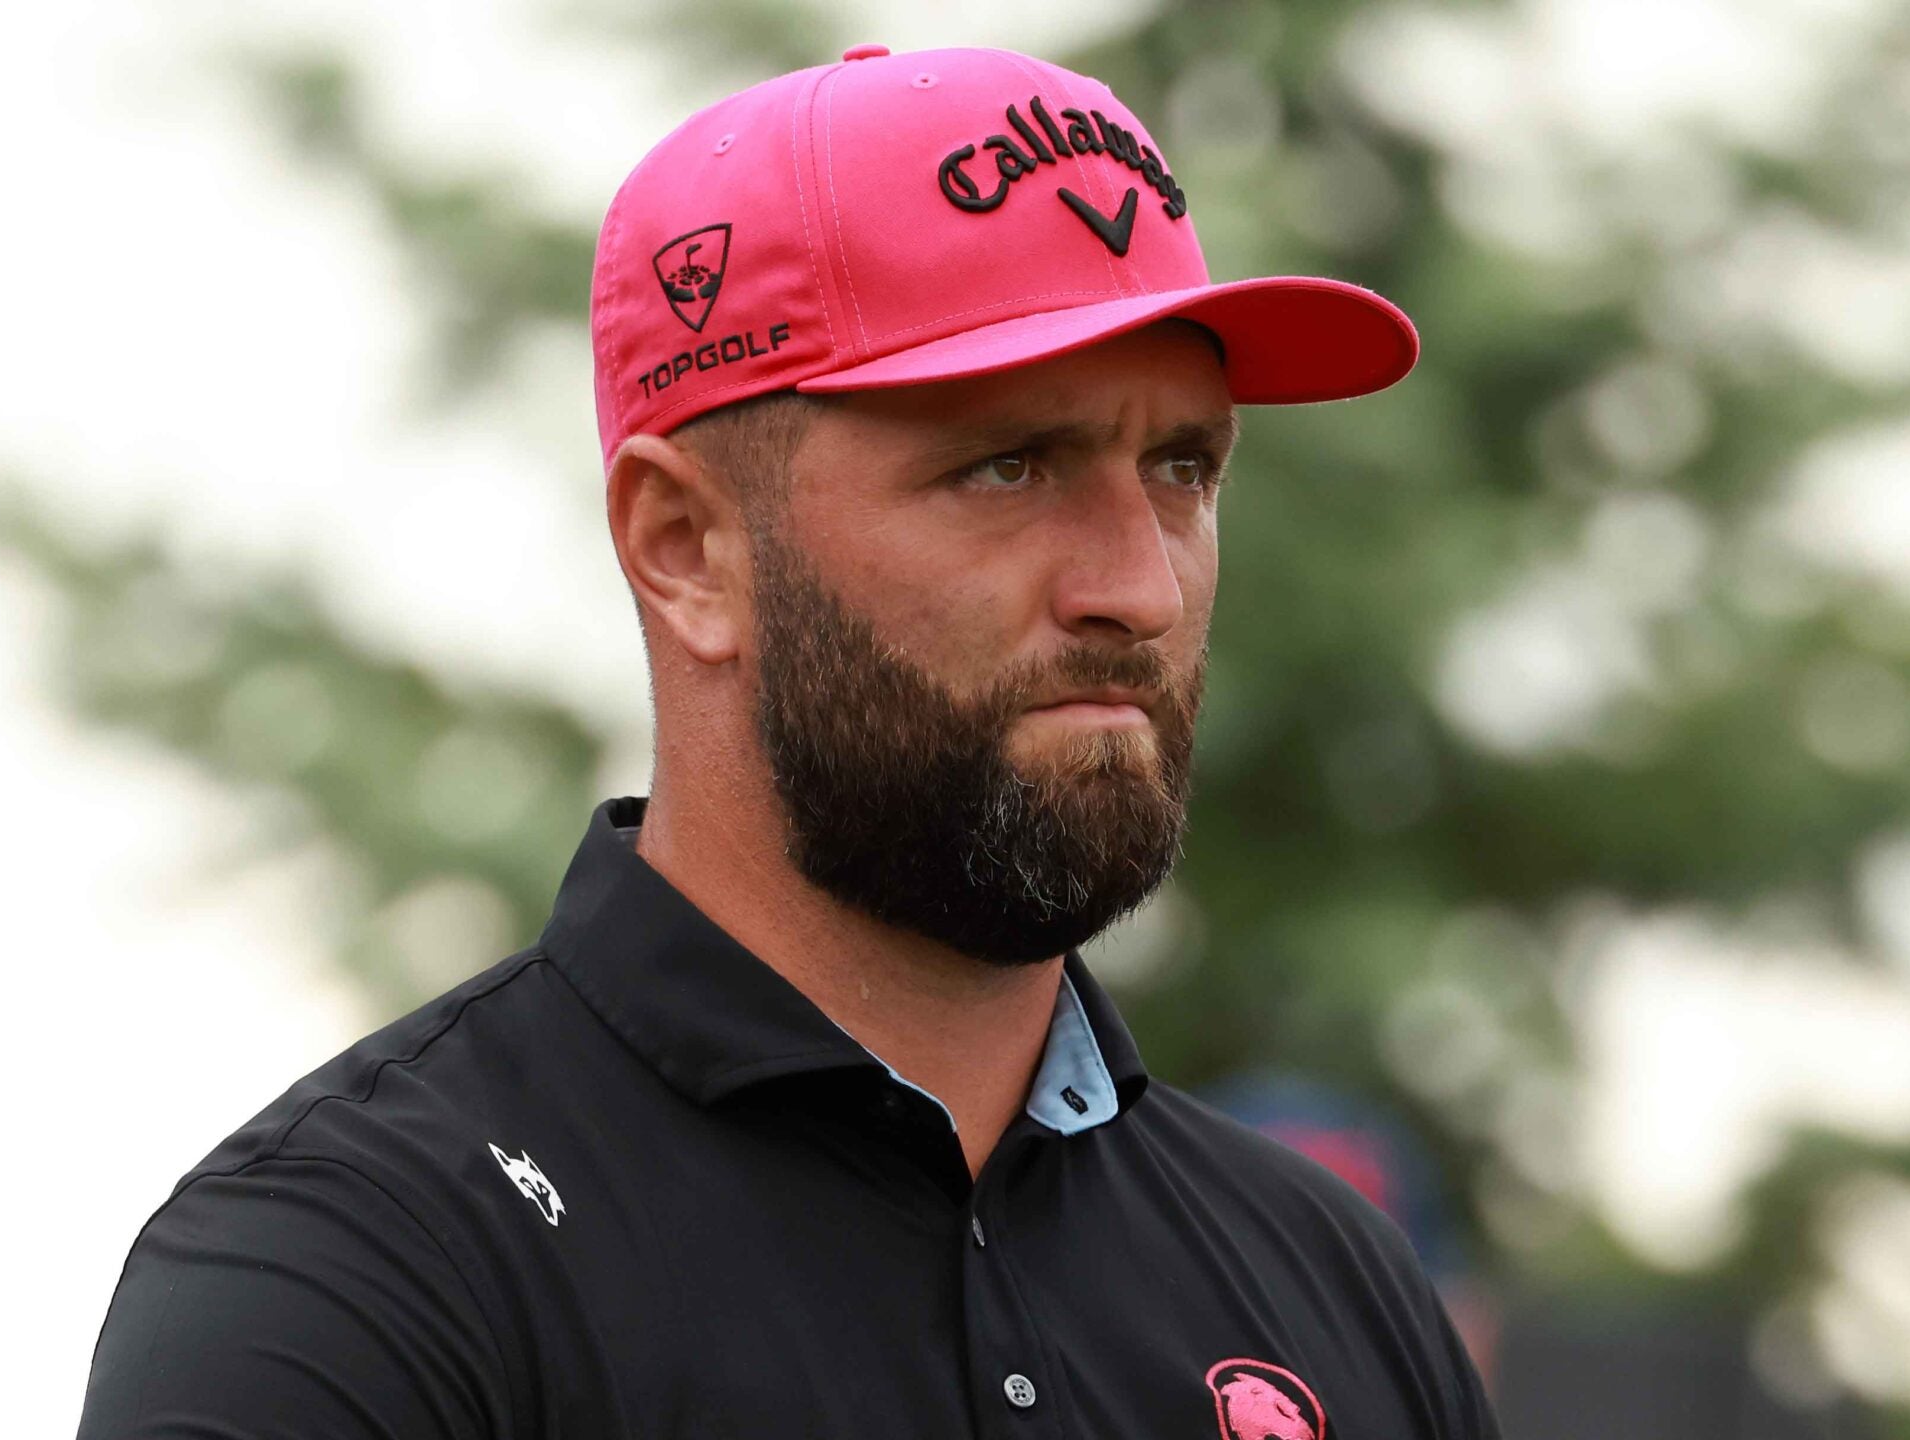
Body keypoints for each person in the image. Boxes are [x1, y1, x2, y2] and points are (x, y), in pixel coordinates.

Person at [77, 42, 1492, 1440]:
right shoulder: (358, 1281)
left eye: (1181, 468)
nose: (1141, 583)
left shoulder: (1334, 1290)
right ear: (686, 547)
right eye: (1007, 465)